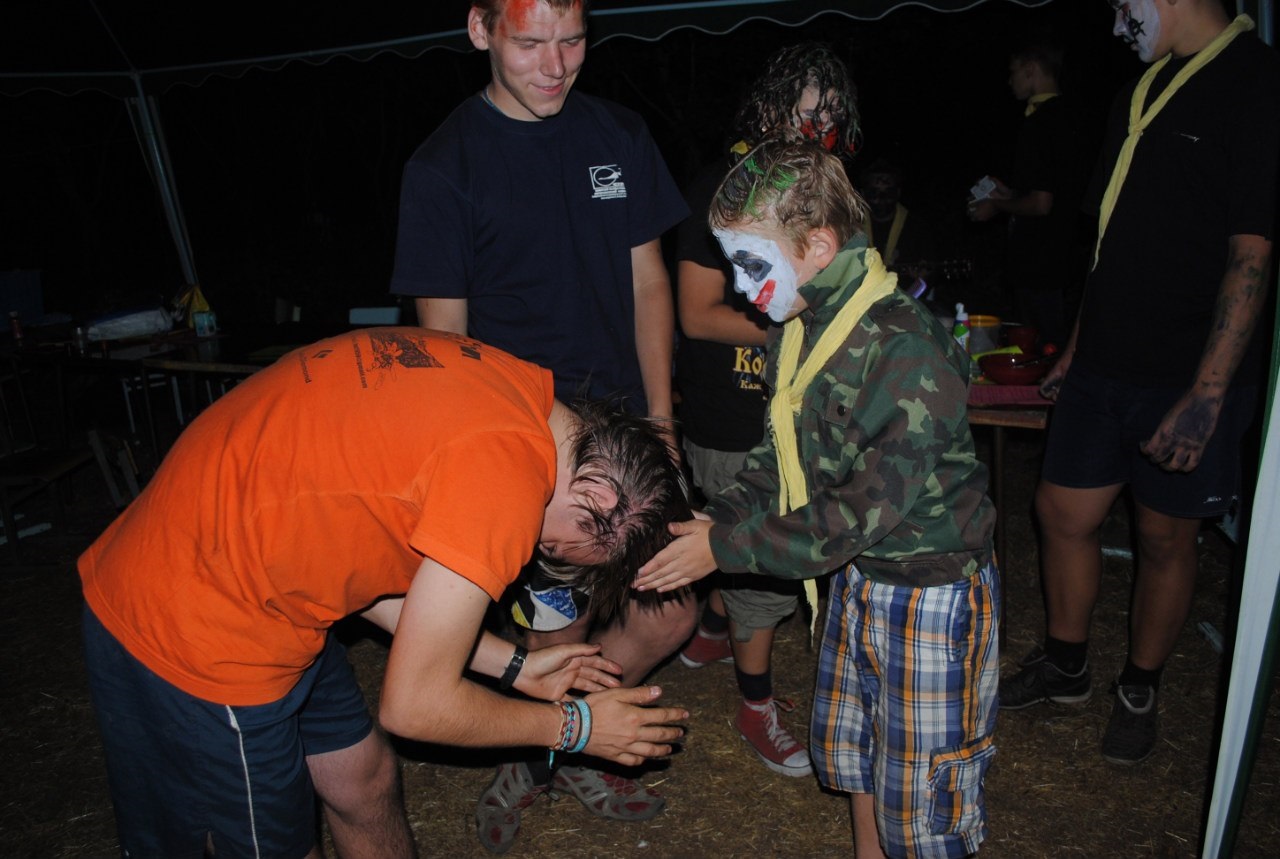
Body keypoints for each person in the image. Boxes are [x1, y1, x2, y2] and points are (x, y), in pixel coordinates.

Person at [79, 327, 691, 859]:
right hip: (195, 620)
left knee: (363, 778)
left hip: (269, 576)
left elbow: (368, 565)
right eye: (557, 547)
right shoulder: (504, 484)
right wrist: (575, 727)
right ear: (597, 497)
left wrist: (516, 666)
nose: (539, 553)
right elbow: (413, 707)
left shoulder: (521, 391)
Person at [387, 0, 694, 850]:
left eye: (573, 40)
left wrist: (662, 420)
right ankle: (548, 749)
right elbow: (443, 348)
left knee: (671, 615)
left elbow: (649, 284)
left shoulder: (619, 133)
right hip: (531, 453)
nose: (556, 65)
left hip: (629, 440)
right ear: (480, 30)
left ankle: (567, 732)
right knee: (559, 626)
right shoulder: (443, 166)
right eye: (530, 43)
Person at [638, 140, 1000, 859]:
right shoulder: (802, 326)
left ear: (819, 246)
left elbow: (851, 515)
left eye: (751, 263)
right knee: (861, 757)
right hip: (858, 581)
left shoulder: (907, 351)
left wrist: (723, 547)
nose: (739, 286)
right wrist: (715, 518)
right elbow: (779, 459)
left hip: (928, 598)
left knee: (922, 807)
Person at [999, 0, 1279, 767]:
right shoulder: (1142, 89)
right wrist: (1074, 346)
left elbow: (1253, 252)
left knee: (1164, 535)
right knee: (1060, 510)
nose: (1118, 17)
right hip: (1102, 360)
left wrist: (1209, 392)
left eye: (1127, 1)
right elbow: (1110, 240)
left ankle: (1139, 686)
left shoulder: (1255, 83)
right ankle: (1067, 664)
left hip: (1186, 371)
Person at [674, 41, 859, 779]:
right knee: (762, 565)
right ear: (770, 107)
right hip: (732, 416)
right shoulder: (720, 186)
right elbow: (695, 315)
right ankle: (755, 706)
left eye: (832, 115)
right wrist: (800, 328)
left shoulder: (822, 191)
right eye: (806, 112)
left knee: (764, 554)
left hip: (798, 413)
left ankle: (709, 630)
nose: (819, 128)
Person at [968, 33, 1083, 348]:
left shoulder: (1042, 122)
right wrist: (1009, 194)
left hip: (1042, 267)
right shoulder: (1068, 116)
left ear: (1031, 69)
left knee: (1042, 349)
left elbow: (1042, 204)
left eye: (1013, 71)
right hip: (1061, 262)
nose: (1010, 81)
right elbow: (1053, 190)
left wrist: (995, 206)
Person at [857, 157, 937, 294]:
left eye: (888, 192)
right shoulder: (851, 225)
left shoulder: (916, 228)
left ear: (898, 193)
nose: (881, 199)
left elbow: (930, 274)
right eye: (874, 192)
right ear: (863, 194)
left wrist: (922, 279)